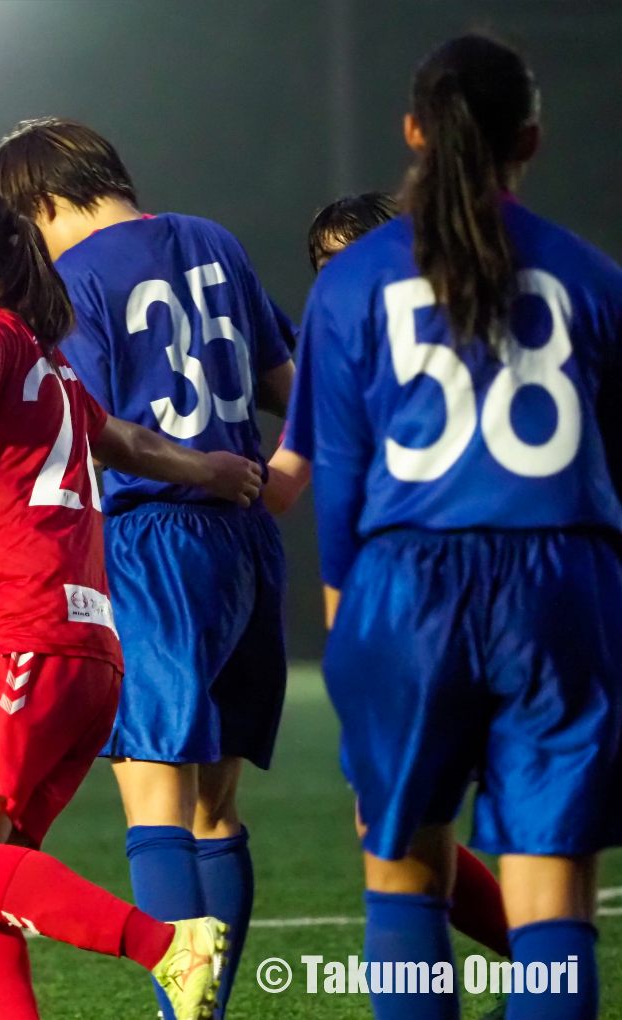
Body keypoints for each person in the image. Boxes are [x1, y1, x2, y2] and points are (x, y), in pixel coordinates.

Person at [287, 34, 621, 1020]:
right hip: (560, 584)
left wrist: (353, 635)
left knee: (402, 879)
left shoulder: (348, 285)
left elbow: (338, 485)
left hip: (403, 591)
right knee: (552, 903)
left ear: (412, 133)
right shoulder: (594, 279)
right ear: (529, 136)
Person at [0, 177, 264, 1020]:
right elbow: (120, 437)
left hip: (19, 640)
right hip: (81, 653)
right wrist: (211, 467)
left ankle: (171, 945)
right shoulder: (47, 361)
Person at [0, 118, 294, 1017]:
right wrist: (288, 468)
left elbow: (99, 429)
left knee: (155, 804)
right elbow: (297, 381)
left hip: (154, 542)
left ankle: (181, 1014)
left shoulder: (74, 280)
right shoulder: (214, 240)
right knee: (216, 811)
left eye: (22, 224)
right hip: (246, 545)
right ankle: (208, 1010)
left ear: (43, 204)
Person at [268, 191, 512, 965]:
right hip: (498, 598)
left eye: (357, 255)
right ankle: (546, 969)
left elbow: (307, 487)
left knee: (402, 827)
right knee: (424, 826)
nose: (341, 275)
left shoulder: (357, 352)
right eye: (326, 264)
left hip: (430, 602)